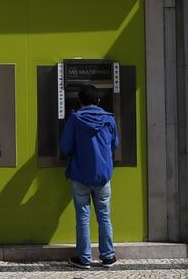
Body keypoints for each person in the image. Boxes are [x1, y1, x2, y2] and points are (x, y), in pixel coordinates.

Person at [59, 84, 119, 270]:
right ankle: (108, 256)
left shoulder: (75, 119)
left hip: (80, 175)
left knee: (83, 217)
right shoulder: (109, 120)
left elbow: (65, 147)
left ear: (80, 101)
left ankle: (84, 258)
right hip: (103, 176)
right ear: (98, 101)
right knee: (104, 216)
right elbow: (114, 145)